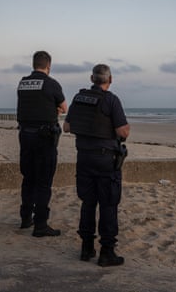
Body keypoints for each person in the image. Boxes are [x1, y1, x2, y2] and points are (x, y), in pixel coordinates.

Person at [63, 64, 130, 267]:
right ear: (110, 80)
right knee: (108, 204)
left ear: (92, 78)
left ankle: (86, 249)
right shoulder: (111, 100)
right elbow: (123, 132)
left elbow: (66, 127)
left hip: (84, 158)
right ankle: (106, 252)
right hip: (105, 161)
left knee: (88, 203)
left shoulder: (78, 98)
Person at [16, 50, 67, 237]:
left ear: (33, 64)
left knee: (28, 178)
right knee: (44, 182)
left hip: (25, 136)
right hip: (44, 138)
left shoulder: (23, 83)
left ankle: (25, 218)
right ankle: (40, 225)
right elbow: (64, 107)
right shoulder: (51, 83)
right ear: (49, 65)